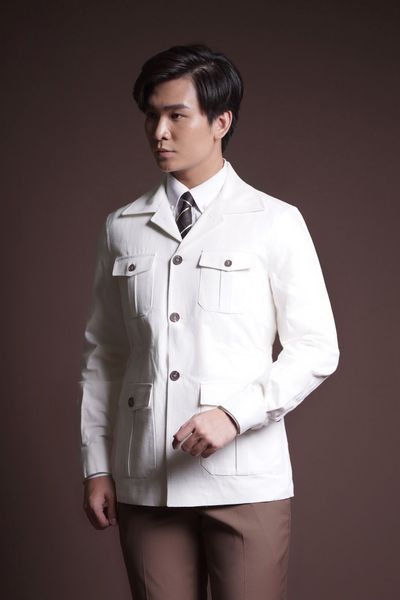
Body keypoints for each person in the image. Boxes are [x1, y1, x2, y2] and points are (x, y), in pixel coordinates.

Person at [77, 43, 340, 600]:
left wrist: (234, 415)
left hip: (245, 479)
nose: (159, 132)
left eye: (177, 115)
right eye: (152, 115)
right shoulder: (121, 227)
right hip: (146, 478)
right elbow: (105, 357)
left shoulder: (274, 221)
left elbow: (316, 347)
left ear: (221, 122)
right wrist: (97, 466)